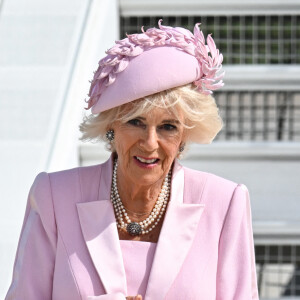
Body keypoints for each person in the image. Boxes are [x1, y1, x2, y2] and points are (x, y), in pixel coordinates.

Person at [6, 20, 259, 300]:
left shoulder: (224, 204)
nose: (150, 143)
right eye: (136, 122)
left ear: (184, 135)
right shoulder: (54, 197)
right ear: (111, 126)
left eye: (168, 127)